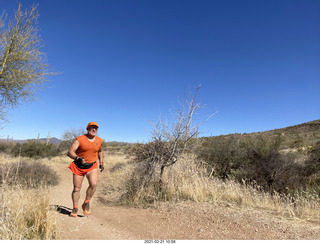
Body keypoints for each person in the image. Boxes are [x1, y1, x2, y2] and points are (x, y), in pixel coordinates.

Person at [67, 121, 104, 217]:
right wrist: (77, 158)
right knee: (76, 188)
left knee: (93, 184)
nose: (94, 129)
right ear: (87, 129)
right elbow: (70, 152)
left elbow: (100, 151)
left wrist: (101, 163)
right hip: (79, 166)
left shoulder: (99, 141)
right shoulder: (79, 139)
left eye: (96, 128)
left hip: (92, 166)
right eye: (92, 127)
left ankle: (86, 202)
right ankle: (75, 207)